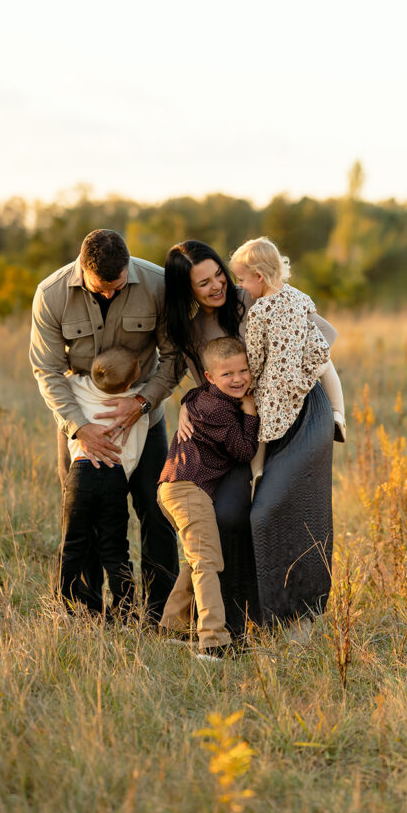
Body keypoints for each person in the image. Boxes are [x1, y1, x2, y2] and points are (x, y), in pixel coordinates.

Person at [164, 239, 335, 632]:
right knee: (227, 514)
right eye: (202, 282)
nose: (216, 286)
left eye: (218, 274)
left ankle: (298, 616)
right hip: (242, 432)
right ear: (186, 290)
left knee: (279, 508)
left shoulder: (257, 292)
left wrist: (334, 411)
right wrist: (187, 404)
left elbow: (320, 343)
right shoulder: (193, 332)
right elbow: (206, 384)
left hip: (295, 414)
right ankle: (238, 617)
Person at [30, 228, 180, 623]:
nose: (111, 293)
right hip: (81, 421)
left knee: (157, 509)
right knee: (83, 515)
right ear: (83, 269)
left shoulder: (159, 286)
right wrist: (79, 428)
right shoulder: (51, 294)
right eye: (102, 287)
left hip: (145, 417)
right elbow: (46, 369)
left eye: (118, 285)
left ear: (128, 265)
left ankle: (159, 612)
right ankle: (87, 612)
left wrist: (143, 402)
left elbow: (174, 355)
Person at [158, 336, 259, 659]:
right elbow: (244, 450)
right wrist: (251, 410)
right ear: (211, 377)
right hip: (188, 489)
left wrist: (186, 405)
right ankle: (213, 641)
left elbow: (189, 394)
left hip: (176, 487)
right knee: (208, 562)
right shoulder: (219, 410)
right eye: (228, 374)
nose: (238, 379)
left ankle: (173, 626)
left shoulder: (201, 397)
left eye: (244, 370)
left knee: (195, 558)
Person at [229, 235, 346, 494]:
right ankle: (338, 414)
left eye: (242, 280)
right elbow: (311, 332)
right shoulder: (299, 297)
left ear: (259, 276)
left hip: (275, 381)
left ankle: (256, 471)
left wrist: (253, 382)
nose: (241, 286)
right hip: (302, 371)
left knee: (259, 424)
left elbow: (257, 355)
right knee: (327, 363)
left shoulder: (259, 311)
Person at [60, 346, 149, 617]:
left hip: (80, 475)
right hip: (114, 477)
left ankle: (63, 600)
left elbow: (65, 377)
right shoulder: (134, 406)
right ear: (132, 381)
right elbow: (133, 453)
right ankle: (125, 608)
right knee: (115, 546)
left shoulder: (77, 387)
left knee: (73, 543)